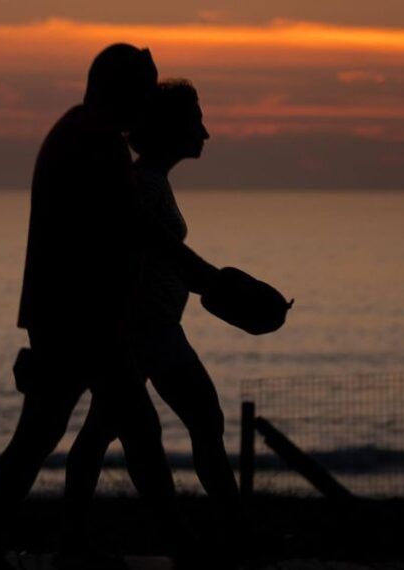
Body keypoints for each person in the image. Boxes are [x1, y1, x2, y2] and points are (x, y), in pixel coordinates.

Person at [0, 44, 221, 570]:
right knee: (133, 434)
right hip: (84, 321)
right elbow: (137, 229)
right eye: (144, 89)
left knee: (41, 435)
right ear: (120, 89)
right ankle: (181, 549)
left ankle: (1, 548)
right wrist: (211, 278)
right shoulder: (95, 141)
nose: (149, 102)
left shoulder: (79, 134)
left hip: (72, 317)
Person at [61, 80, 257, 559]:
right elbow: (149, 251)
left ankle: (75, 540)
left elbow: (160, 260)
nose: (205, 133)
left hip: (157, 329)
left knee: (112, 433)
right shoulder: (141, 185)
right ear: (171, 129)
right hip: (142, 333)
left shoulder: (150, 181)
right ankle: (230, 533)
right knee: (189, 421)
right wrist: (214, 284)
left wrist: (208, 288)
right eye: (196, 121)